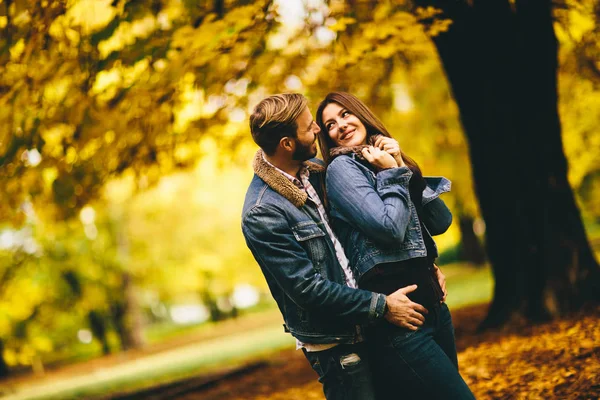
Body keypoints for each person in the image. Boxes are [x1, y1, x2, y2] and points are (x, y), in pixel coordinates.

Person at [241, 93, 430, 400]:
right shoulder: (262, 212)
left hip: (373, 326)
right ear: (287, 143)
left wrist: (424, 262)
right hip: (338, 345)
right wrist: (382, 306)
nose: (318, 129)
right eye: (309, 127)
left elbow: (364, 229)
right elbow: (307, 289)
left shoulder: (316, 173)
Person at [316, 91, 475, 399]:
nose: (341, 125)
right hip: (400, 323)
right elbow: (388, 229)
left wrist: (402, 166)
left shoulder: (385, 159)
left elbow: (441, 222)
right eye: (330, 124)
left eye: (345, 114)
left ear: (361, 113)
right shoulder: (342, 170)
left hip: (436, 309)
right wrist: (391, 174)